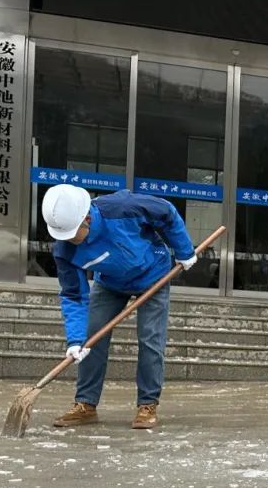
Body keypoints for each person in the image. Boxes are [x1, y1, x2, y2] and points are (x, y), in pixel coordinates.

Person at [42, 184, 197, 430]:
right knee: (90, 339)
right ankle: (85, 404)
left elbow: (167, 212)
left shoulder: (123, 208)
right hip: (110, 284)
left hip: (153, 276)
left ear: (86, 219)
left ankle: (147, 404)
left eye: (72, 234)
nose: (68, 241)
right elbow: (74, 296)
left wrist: (184, 250)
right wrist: (74, 340)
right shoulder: (64, 250)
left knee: (150, 338)